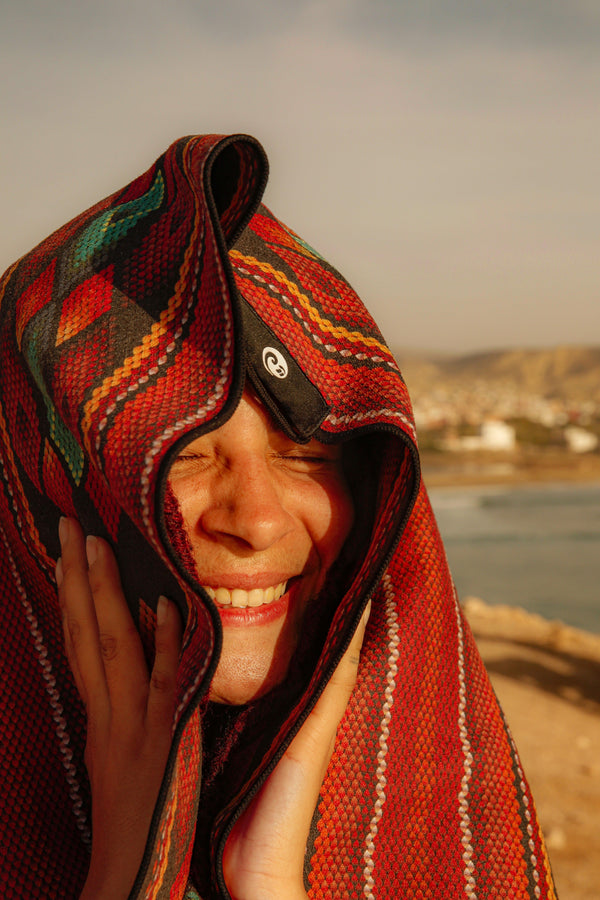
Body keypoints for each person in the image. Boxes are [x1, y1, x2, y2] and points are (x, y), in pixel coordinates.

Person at [0, 133, 558, 899]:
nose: (257, 520)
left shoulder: (431, 828)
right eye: (182, 455)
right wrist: (129, 863)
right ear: (48, 482)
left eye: (306, 453)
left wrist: (264, 877)